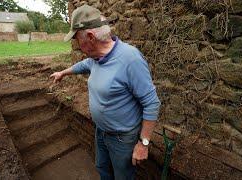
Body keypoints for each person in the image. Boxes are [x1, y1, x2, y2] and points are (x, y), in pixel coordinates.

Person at [50, 4, 161, 180]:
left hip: (122, 139)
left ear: (91, 37)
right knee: (102, 169)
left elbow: (152, 103)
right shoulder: (96, 58)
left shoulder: (130, 59)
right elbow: (83, 66)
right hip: (101, 132)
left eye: (77, 39)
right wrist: (63, 73)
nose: (77, 45)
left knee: (122, 176)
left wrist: (143, 144)